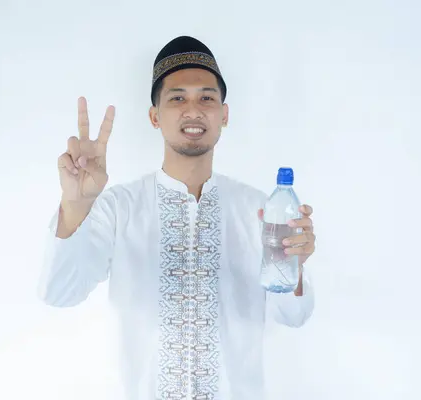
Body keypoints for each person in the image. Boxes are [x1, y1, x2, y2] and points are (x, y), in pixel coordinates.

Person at [38, 35, 317, 400]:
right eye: (177, 98)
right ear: (155, 116)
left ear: (224, 114)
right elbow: (59, 293)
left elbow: (293, 315)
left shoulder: (258, 210)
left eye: (206, 97)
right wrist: (75, 204)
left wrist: (294, 267)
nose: (193, 109)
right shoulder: (119, 207)